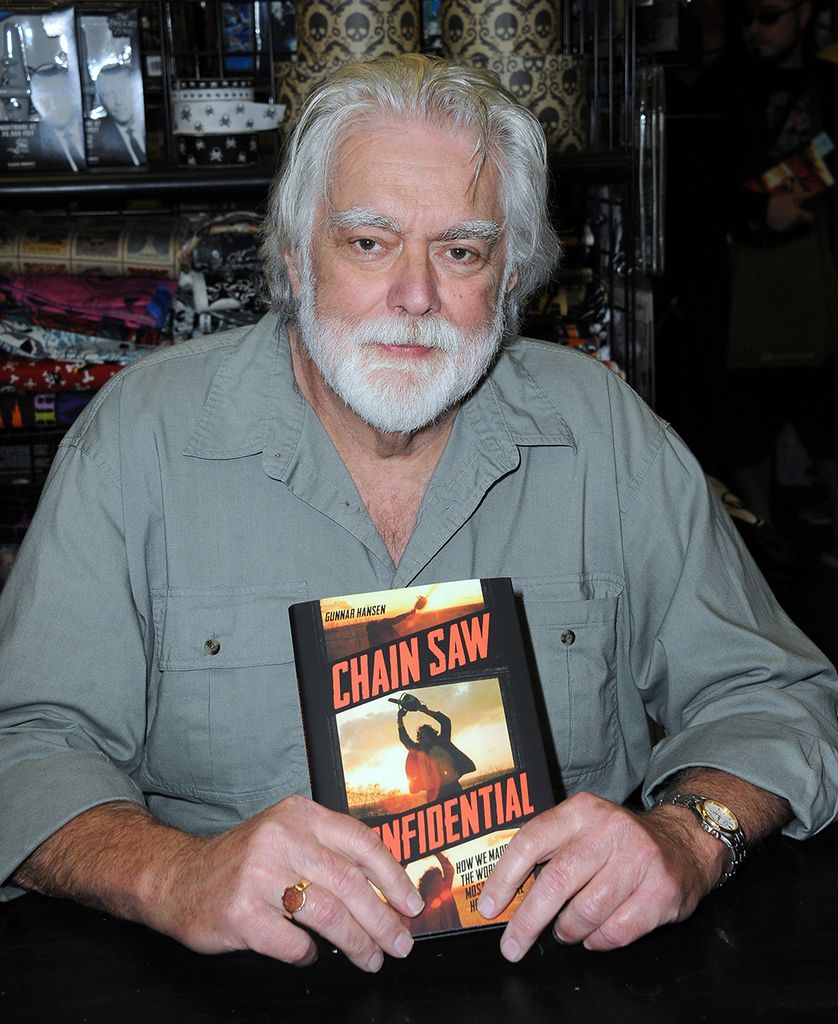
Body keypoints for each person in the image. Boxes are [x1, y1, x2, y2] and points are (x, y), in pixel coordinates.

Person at [0, 54, 837, 975]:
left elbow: (775, 694)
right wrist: (173, 874)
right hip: (232, 980)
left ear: (511, 276)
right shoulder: (141, 440)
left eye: (461, 250)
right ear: (291, 256)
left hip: (569, 972)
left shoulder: (603, 433)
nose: (415, 295)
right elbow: (25, 742)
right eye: (368, 242)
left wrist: (687, 837)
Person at [719, 0, 838, 566]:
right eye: (748, 17)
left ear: (806, 12)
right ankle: (764, 550)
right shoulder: (729, 86)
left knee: (827, 414)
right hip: (749, 278)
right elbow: (699, 177)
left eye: (767, 15)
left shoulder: (828, 83)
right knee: (747, 417)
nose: (754, 29)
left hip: (823, 272)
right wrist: (758, 211)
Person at [396, 697, 476, 801]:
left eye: (424, 733)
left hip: (453, 787)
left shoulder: (443, 741)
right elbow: (404, 738)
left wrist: (425, 710)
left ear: (431, 734)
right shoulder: (417, 749)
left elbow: (445, 722)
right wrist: (400, 719)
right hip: (433, 793)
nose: (422, 736)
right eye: (420, 734)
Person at [87, 63, 147, 167]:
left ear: (136, 91)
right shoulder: (95, 136)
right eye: (109, 94)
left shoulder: (158, 123)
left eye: (123, 91)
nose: (118, 101)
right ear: (101, 99)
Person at [28, 65, 86, 171]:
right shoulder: (29, 145)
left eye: (60, 95)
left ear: (75, 94)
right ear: (34, 101)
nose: (54, 105)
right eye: (45, 98)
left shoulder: (101, 131)